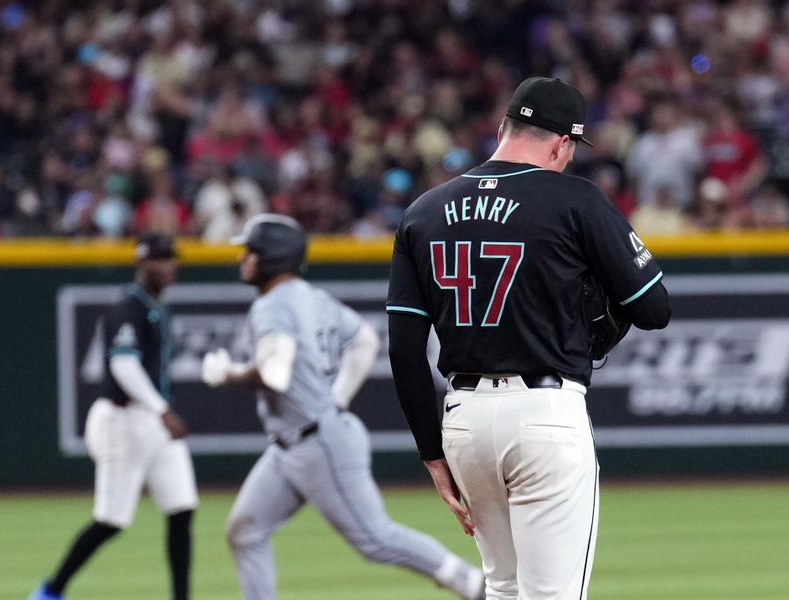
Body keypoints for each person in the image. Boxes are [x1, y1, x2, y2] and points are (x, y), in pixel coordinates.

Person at [386, 77, 671, 600]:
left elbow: (404, 354)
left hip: (463, 421)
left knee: (503, 589)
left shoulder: (423, 211)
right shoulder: (575, 199)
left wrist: (432, 453)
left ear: (503, 129)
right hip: (545, 414)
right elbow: (654, 309)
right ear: (563, 143)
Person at [200, 213, 485, 600]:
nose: (242, 259)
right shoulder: (310, 296)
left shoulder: (270, 307)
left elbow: (274, 374)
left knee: (376, 539)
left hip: (319, 442)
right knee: (246, 531)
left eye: (249, 251)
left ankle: (472, 584)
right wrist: (339, 396)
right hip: (294, 441)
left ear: (272, 256)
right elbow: (363, 339)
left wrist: (228, 374)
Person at [31, 233, 197, 600]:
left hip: (152, 421)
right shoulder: (129, 306)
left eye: (171, 259)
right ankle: (50, 591)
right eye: (159, 259)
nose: (168, 266)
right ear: (141, 263)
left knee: (182, 509)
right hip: (122, 420)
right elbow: (123, 365)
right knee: (111, 519)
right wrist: (163, 409)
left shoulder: (157, 306)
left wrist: (159, 412)